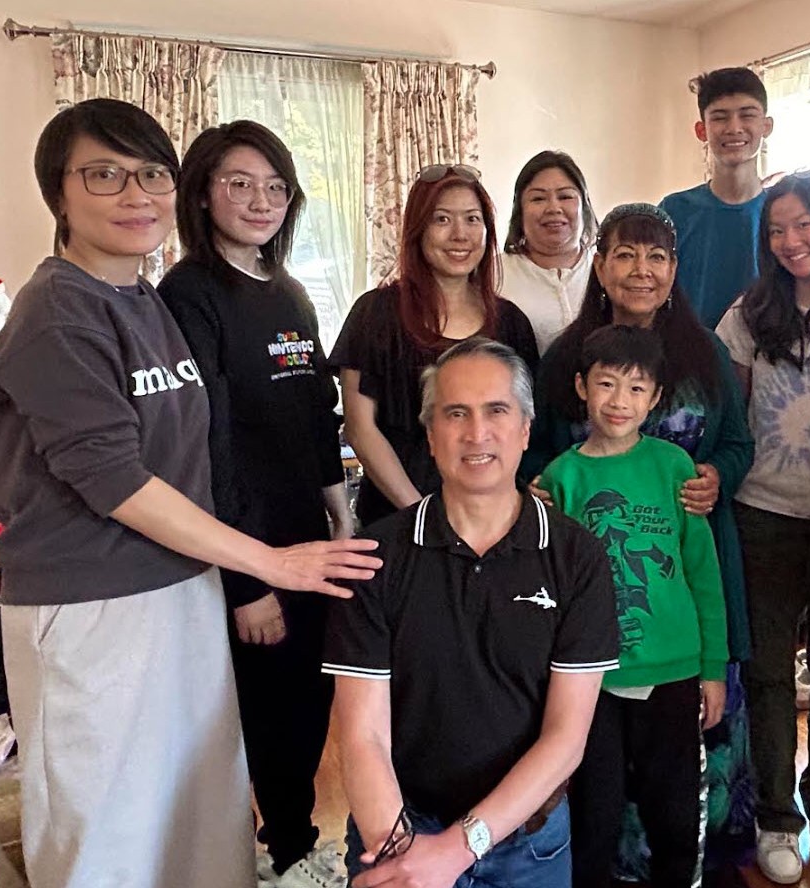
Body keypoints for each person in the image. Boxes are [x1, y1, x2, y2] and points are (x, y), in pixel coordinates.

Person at [0, 98, 381, 888]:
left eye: (151, 174)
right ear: (58, 193)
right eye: (105, 175)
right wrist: (266, 565)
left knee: (194, 806)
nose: (136, 195)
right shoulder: (58, 312)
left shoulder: (142, 300)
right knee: (109, 826)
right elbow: (114, 478)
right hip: (92, 602)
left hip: (179, 586)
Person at [326, 337, 619, 888]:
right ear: (431, 435)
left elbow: (565, 738)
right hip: (396, 830)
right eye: (456, 413)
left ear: (526, 429)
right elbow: (362, 735)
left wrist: (456, 851)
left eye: (496, 411)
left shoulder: (577, 556)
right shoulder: (373, 558)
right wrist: (404, 860)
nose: (476, 432)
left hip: (528, 844)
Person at [528, 202, 757, 879]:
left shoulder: (705, 351)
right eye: (625, 254)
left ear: (673, 269)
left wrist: (717, 476)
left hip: (678, 578)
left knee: (678, 776)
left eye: (656, 256)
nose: (641, 269)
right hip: (591, 603)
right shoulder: (567, 356)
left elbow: (739, 443)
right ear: (600, 266)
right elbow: (533, 451)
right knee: (596, 783)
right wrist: (535, 489)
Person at [157, 120, 349, 888]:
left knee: (309, 694)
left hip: (307, 536)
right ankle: (277, 853)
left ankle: (292, 844)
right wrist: (248, 583)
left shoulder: (290, 292)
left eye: (275, 187)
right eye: (239, 183)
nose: (260, 200)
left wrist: (341, 512)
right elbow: (207, 445)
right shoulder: (189, 294)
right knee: (264, 709)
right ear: (203, 193)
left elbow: (316, 416)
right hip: (242, 544)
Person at [714, 170, 810, 884]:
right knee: (770, 675)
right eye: (776, 229)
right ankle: (777, 816)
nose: (791, 240)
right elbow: (734, 415)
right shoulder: (748, 315)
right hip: (764, 516)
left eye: (804, 224)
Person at [541, 324, 728, 888]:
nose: (619, 401)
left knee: (675, 812)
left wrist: (713, 668)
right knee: (593, 814)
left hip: (673, 672)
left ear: (655, 398)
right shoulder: (561, 478)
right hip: (590, 678)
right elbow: (550, 588)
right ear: (581, 387)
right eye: (606, 384)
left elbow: (702, 572)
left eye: (636, 388)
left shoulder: (674, 467)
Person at [330, 164, 539, 530]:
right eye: (442, 219)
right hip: (398, 518)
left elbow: (519, 425)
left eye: (472, 219)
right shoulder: (376, 313)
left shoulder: (511, 322)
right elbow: (360, 428)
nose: (460, 235)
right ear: (418, 229)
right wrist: (422, 514)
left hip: (491, 522)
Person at [660, 67, 775, 329]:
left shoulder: (781, 212)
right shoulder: (673, 211)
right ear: (701, 130)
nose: (734, 128)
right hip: (688, 350)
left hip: (769, 350)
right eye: (720, 118)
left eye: (747, 115)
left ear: (766, 126)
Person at [500, 150, 598, 352]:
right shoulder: (494, 274)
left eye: (565, 196)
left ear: (584, 206)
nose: (554, 208)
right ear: (520, 210)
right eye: (538, 199)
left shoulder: (608, 268)